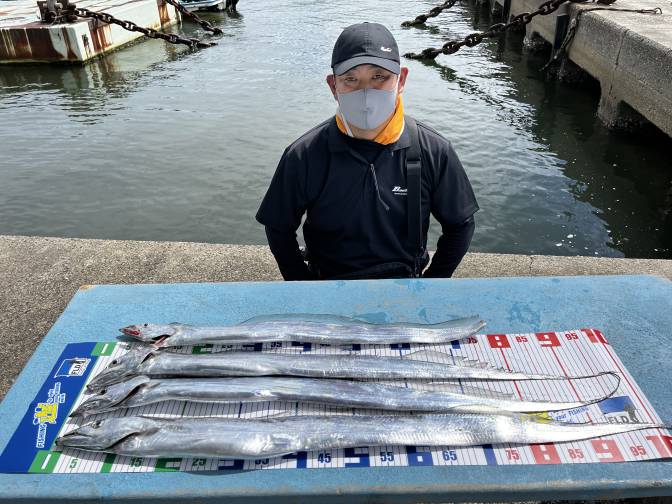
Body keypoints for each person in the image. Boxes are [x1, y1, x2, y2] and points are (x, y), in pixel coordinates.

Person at [256, 22, 478, 280]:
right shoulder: (303, 154)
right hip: (327, 282)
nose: (365, 92)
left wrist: (430, 286)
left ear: (401, 80)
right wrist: (305, 287)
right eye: (350, 79)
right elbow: (278, 227)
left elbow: (461, 225)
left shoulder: (434, 150)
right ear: (333, 87)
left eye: (379, 77)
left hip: (405, 282)